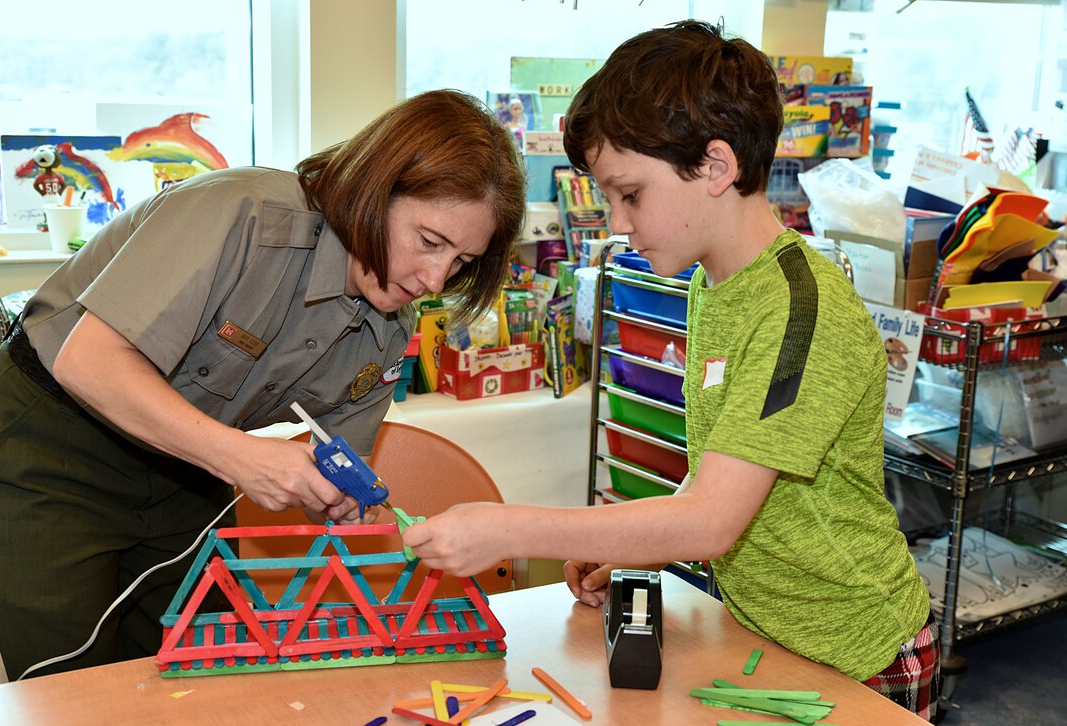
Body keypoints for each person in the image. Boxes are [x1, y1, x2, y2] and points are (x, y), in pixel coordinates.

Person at [402, 22, 940, 721]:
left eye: (630, 194)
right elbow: (721, 462)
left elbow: (712, 522)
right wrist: (641, 545)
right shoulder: (709, 284)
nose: (618, 221)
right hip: (768, 637)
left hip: (857, 654)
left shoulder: (798, 313)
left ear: (716, 167)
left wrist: (507, 530)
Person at [0, 89, 526, 680]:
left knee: (194, 667)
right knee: (72, 686)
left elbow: (342, 459)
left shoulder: (387, 327)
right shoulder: (239, 212)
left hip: (186, 466)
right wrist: (242, 458)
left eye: (462, 262)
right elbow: (88, 360)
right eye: (429, 242)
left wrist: (346, 499)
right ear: (374, 187)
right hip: (50, 448)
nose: (435, 279)